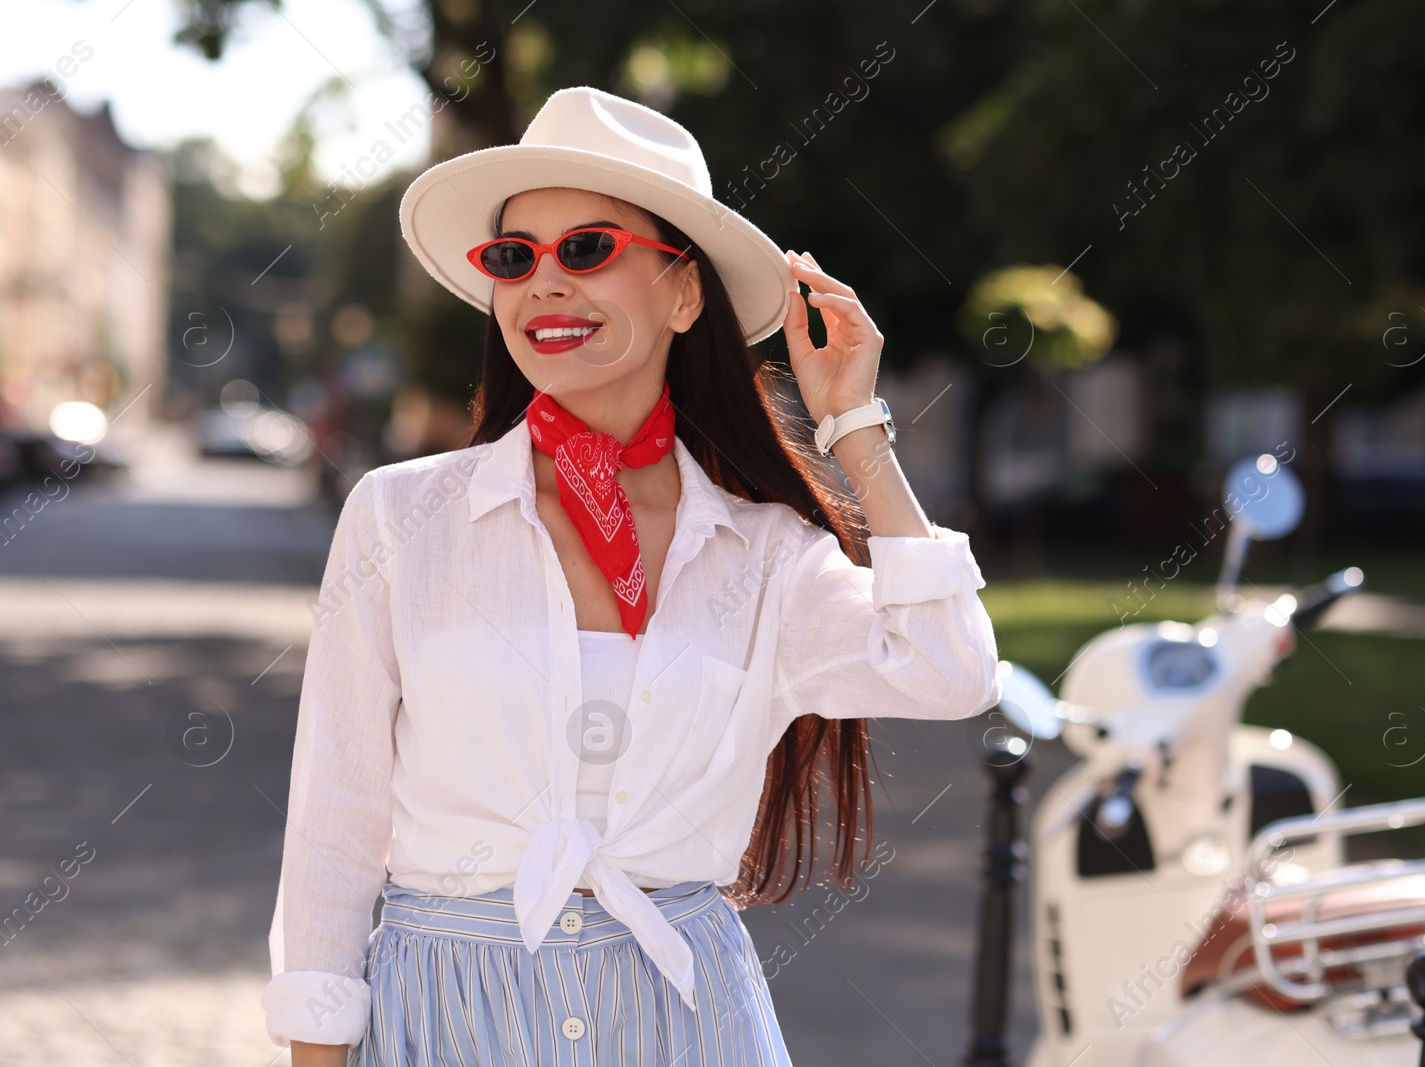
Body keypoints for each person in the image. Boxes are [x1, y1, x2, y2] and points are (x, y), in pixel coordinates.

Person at [260, 84, 1002, 1066]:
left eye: (588, 249)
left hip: (683, 1019)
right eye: (514, 258)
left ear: (684, 291)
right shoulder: (404, 516)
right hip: (446, 1012)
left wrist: (855, 428)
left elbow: (949, 669)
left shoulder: (762, 553)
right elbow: (334, 820)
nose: (544, 285)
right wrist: (317, 1048)